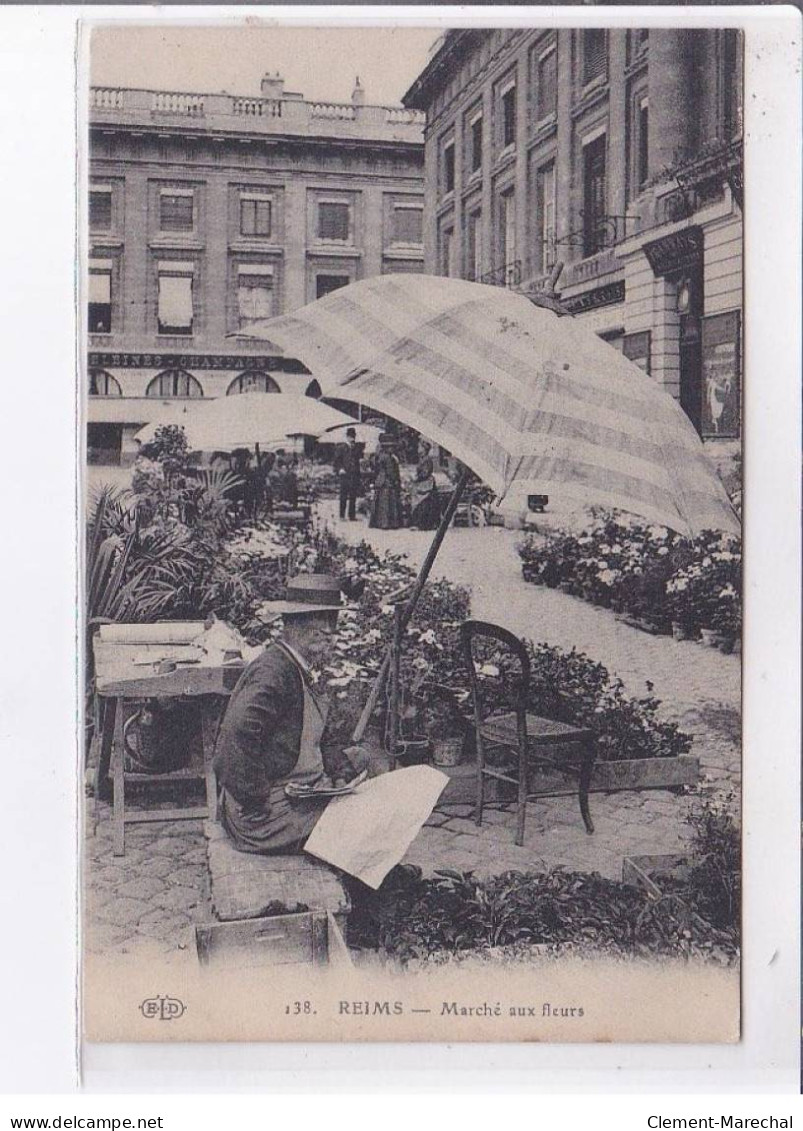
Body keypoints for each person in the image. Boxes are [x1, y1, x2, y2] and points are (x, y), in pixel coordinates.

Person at [213, 574, 368, 854]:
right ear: (293, 623)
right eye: (320, 620)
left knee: (365, 762)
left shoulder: (299, 667)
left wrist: (339, 771)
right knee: (366, 817)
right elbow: (233, 741)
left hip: (294, 788)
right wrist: (255, 801)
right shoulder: (274, 673)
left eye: (332, 620)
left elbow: (319, 738)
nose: (330, 631)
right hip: (260, 815)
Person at [369, 434, 404, 530]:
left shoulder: (379, 456)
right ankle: (387, 523)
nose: (393, 449)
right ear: (388, 447)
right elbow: (391, 472)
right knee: (388, 502)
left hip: (380, 481)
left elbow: (375, 469)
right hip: (387, 481)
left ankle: (378, 522)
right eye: (392, 447)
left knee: (380, 502)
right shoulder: (388, 458)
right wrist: (396, 481)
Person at [409, 440, 442, 530]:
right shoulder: (423, 459)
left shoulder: (427, 460)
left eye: (420, 447)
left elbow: (425, 472)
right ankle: (419, 524)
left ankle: (424, 524)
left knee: (425, 503)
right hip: (422, 483)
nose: (418, 449)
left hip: (426, 484)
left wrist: (417, 477)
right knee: (420, 503)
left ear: (424, 449)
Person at [333, 426, 362, 521]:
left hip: (354, 474)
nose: (352, 438)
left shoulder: (356, 448)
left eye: (353, 436)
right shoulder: (341, 447)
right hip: (345, 474)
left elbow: (357, 460)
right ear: (347, 437)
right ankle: (342, 515)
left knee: (353, 495)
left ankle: (351, 515)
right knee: (343, 495)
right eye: (350, 436)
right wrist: (340, 469)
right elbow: (337, 461)